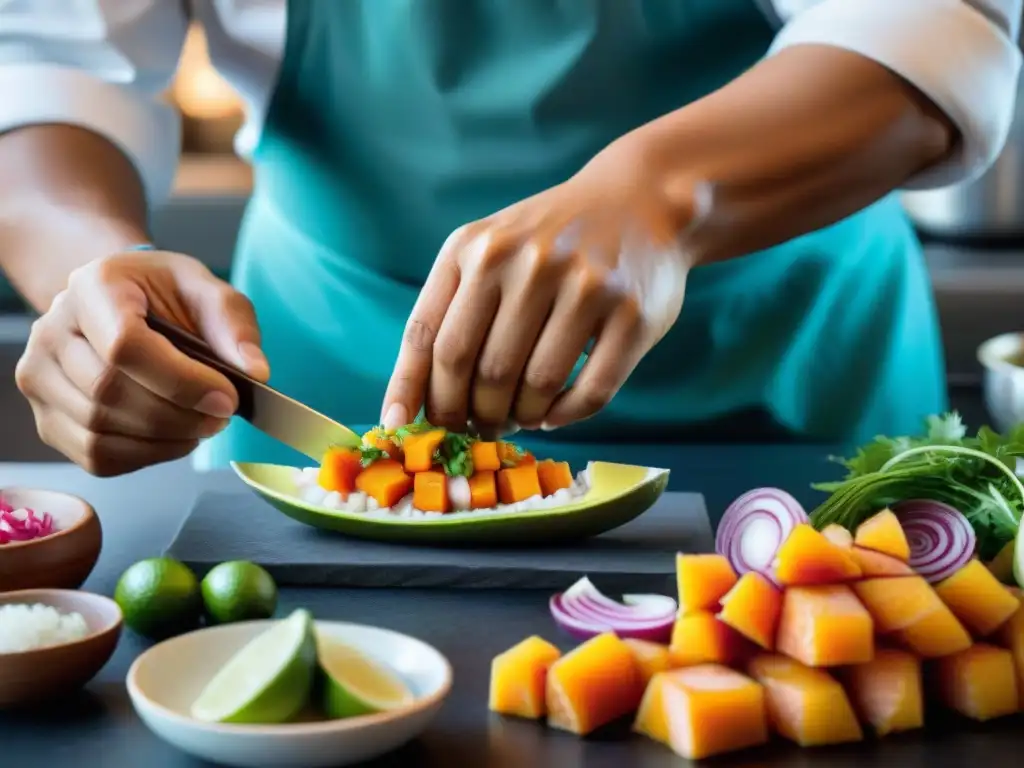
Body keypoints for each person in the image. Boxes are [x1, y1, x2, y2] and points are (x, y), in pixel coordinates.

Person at [0, 1, 1020, 477]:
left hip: (784, 375)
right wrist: (88, 269)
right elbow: (44, 65)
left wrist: (658, 195)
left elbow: (932, 28)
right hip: (323, 380)